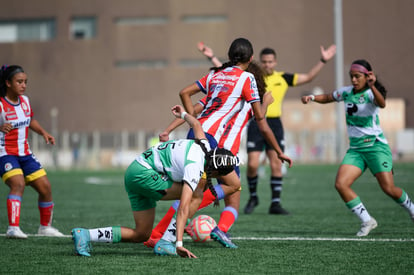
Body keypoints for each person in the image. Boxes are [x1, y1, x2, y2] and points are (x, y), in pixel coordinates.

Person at [146, 38, 293, 250]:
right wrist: (267, 106)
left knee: (227, 195)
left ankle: (217, 230)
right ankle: (163, 234)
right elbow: (261, 120)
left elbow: (194, 107)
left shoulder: (218, 87)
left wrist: (169, 128)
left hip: (201, 139)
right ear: (251, 60)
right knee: (213, 191)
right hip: (218, 148)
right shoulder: (248, 90)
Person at [71, 105, 236, 258]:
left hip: (135, 171)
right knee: (196, 195)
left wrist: (183, 114)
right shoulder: (195, 167)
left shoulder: (205, 145)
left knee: (141, 234)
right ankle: (166, 242)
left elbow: (196, 124)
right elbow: (184, 207)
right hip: (144, 174)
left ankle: (85, 234)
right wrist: (178, 243)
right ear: (215, 171)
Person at [198, 42, 337, 214]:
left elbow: (308, 77)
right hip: (255, 122)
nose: (267, 65)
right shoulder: (251, 76)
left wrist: (323, 61)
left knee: (276, 165)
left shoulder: (283, 78)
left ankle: (275, 203)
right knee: (253, 164)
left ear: (275, 62)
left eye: (270, 62)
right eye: (264, 61)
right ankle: (253, 197)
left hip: (274, 123)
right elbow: (228, 71)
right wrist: (211, 57)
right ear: (258, 61)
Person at [301, 59, 414, 236]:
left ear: (367, 76)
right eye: (351, 76)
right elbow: (329, 97)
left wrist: (373, 86)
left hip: (376, 147)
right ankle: (367, 220)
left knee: (389, 188)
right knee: (341, 184)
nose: (353, 80)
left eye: (357, 76)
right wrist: (313, 98)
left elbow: (382, 103)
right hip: (356, 150)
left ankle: (412, 209)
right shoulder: (346, 92)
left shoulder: (370, 93)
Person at [0, 65, 64, 238]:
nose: (23, 85)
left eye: (25, 82)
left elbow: (29, 120)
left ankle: (45, 227)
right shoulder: (0, 104)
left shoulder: (25, 101)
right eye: (19, 82)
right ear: (7, 83)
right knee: (18, 184)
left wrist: (44, 132)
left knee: (45, 188)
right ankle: (13, 228)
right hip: (5, 154)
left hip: (25, 154)